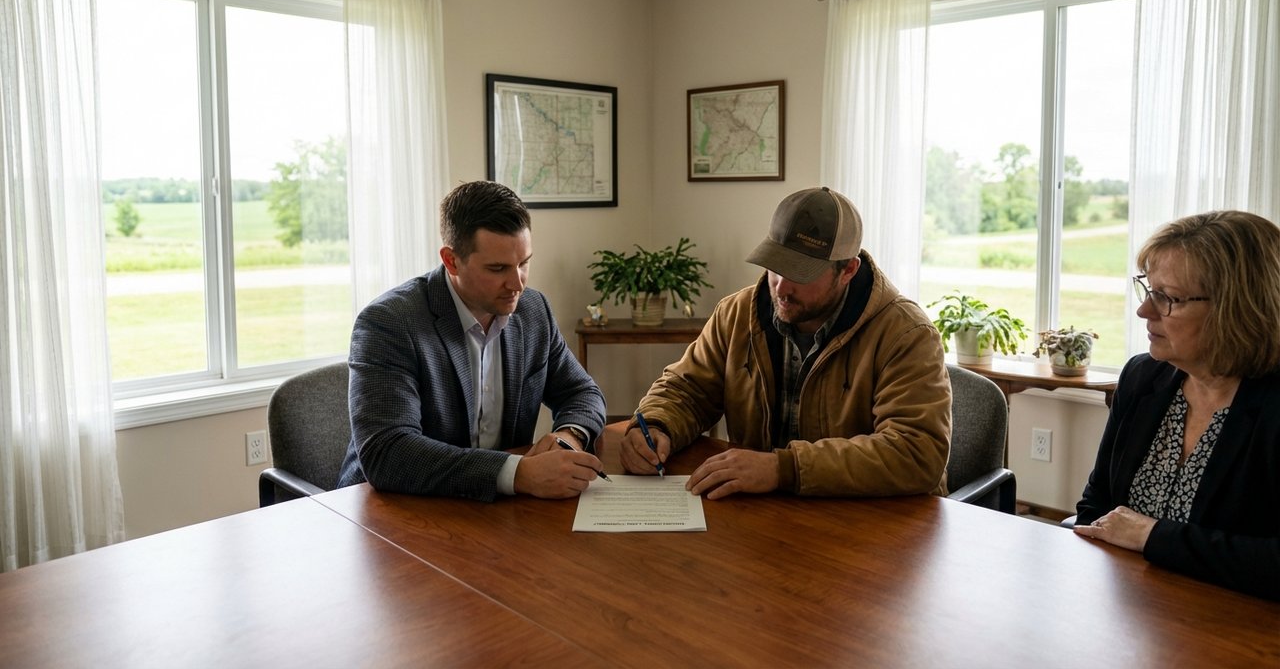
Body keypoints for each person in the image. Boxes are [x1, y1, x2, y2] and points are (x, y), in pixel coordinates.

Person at [619, 187, 951, 499]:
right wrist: (656, 424)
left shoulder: (906, 333)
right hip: (769, 516)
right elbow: (688, 390)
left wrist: (784, 469)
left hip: (878, 528)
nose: (780, 287)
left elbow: (916, 452)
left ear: (848, 270)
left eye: (800, 273)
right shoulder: (736, 313)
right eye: (775, 266)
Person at [336, 180, 606, 501]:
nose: (517, 283)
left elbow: (581, 392)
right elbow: (388, 451)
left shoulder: (534, 311)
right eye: (497, 268)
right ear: (451, 261)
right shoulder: (390, 323)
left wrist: (569, 436)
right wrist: (516, 473)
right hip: (393, 509)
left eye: (524, 263)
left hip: (491, 511)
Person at [1074, 210, 1280, 600]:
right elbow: (1095, 505)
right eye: (1148, 290)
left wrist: (1153, 537)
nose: (1144, 311)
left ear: (1235, 309)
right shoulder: (1142, 377)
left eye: (1167, 297)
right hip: (1126, 606)